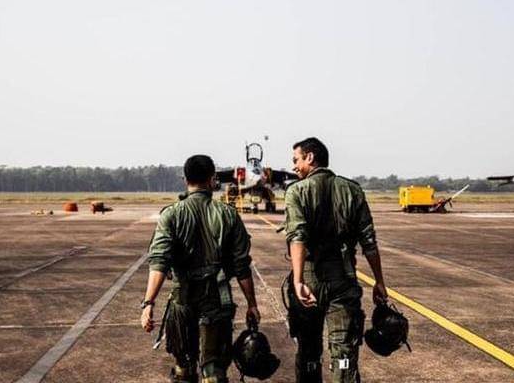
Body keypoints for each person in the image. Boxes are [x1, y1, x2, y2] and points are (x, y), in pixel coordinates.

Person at [141, 154, 261, 383]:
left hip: (182, 299)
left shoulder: (171, 215)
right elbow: (242, 266)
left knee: (183, 368)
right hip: (216, 300)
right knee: (213, 369)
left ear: (185, 179)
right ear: (213, 179)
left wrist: (149, 303)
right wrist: (252, 304)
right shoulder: (228, 214)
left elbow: (159, 261)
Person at [284, 137, 388, 383]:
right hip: (343, 278)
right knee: (344, 353)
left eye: (296, 160)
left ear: (310, 157)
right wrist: (379, 281)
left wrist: (298, 281)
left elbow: (297, 236)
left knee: (309, 350)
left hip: (310, 278)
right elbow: (369, 241)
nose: (294, 166)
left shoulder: (296, 191)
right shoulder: (353, 190)